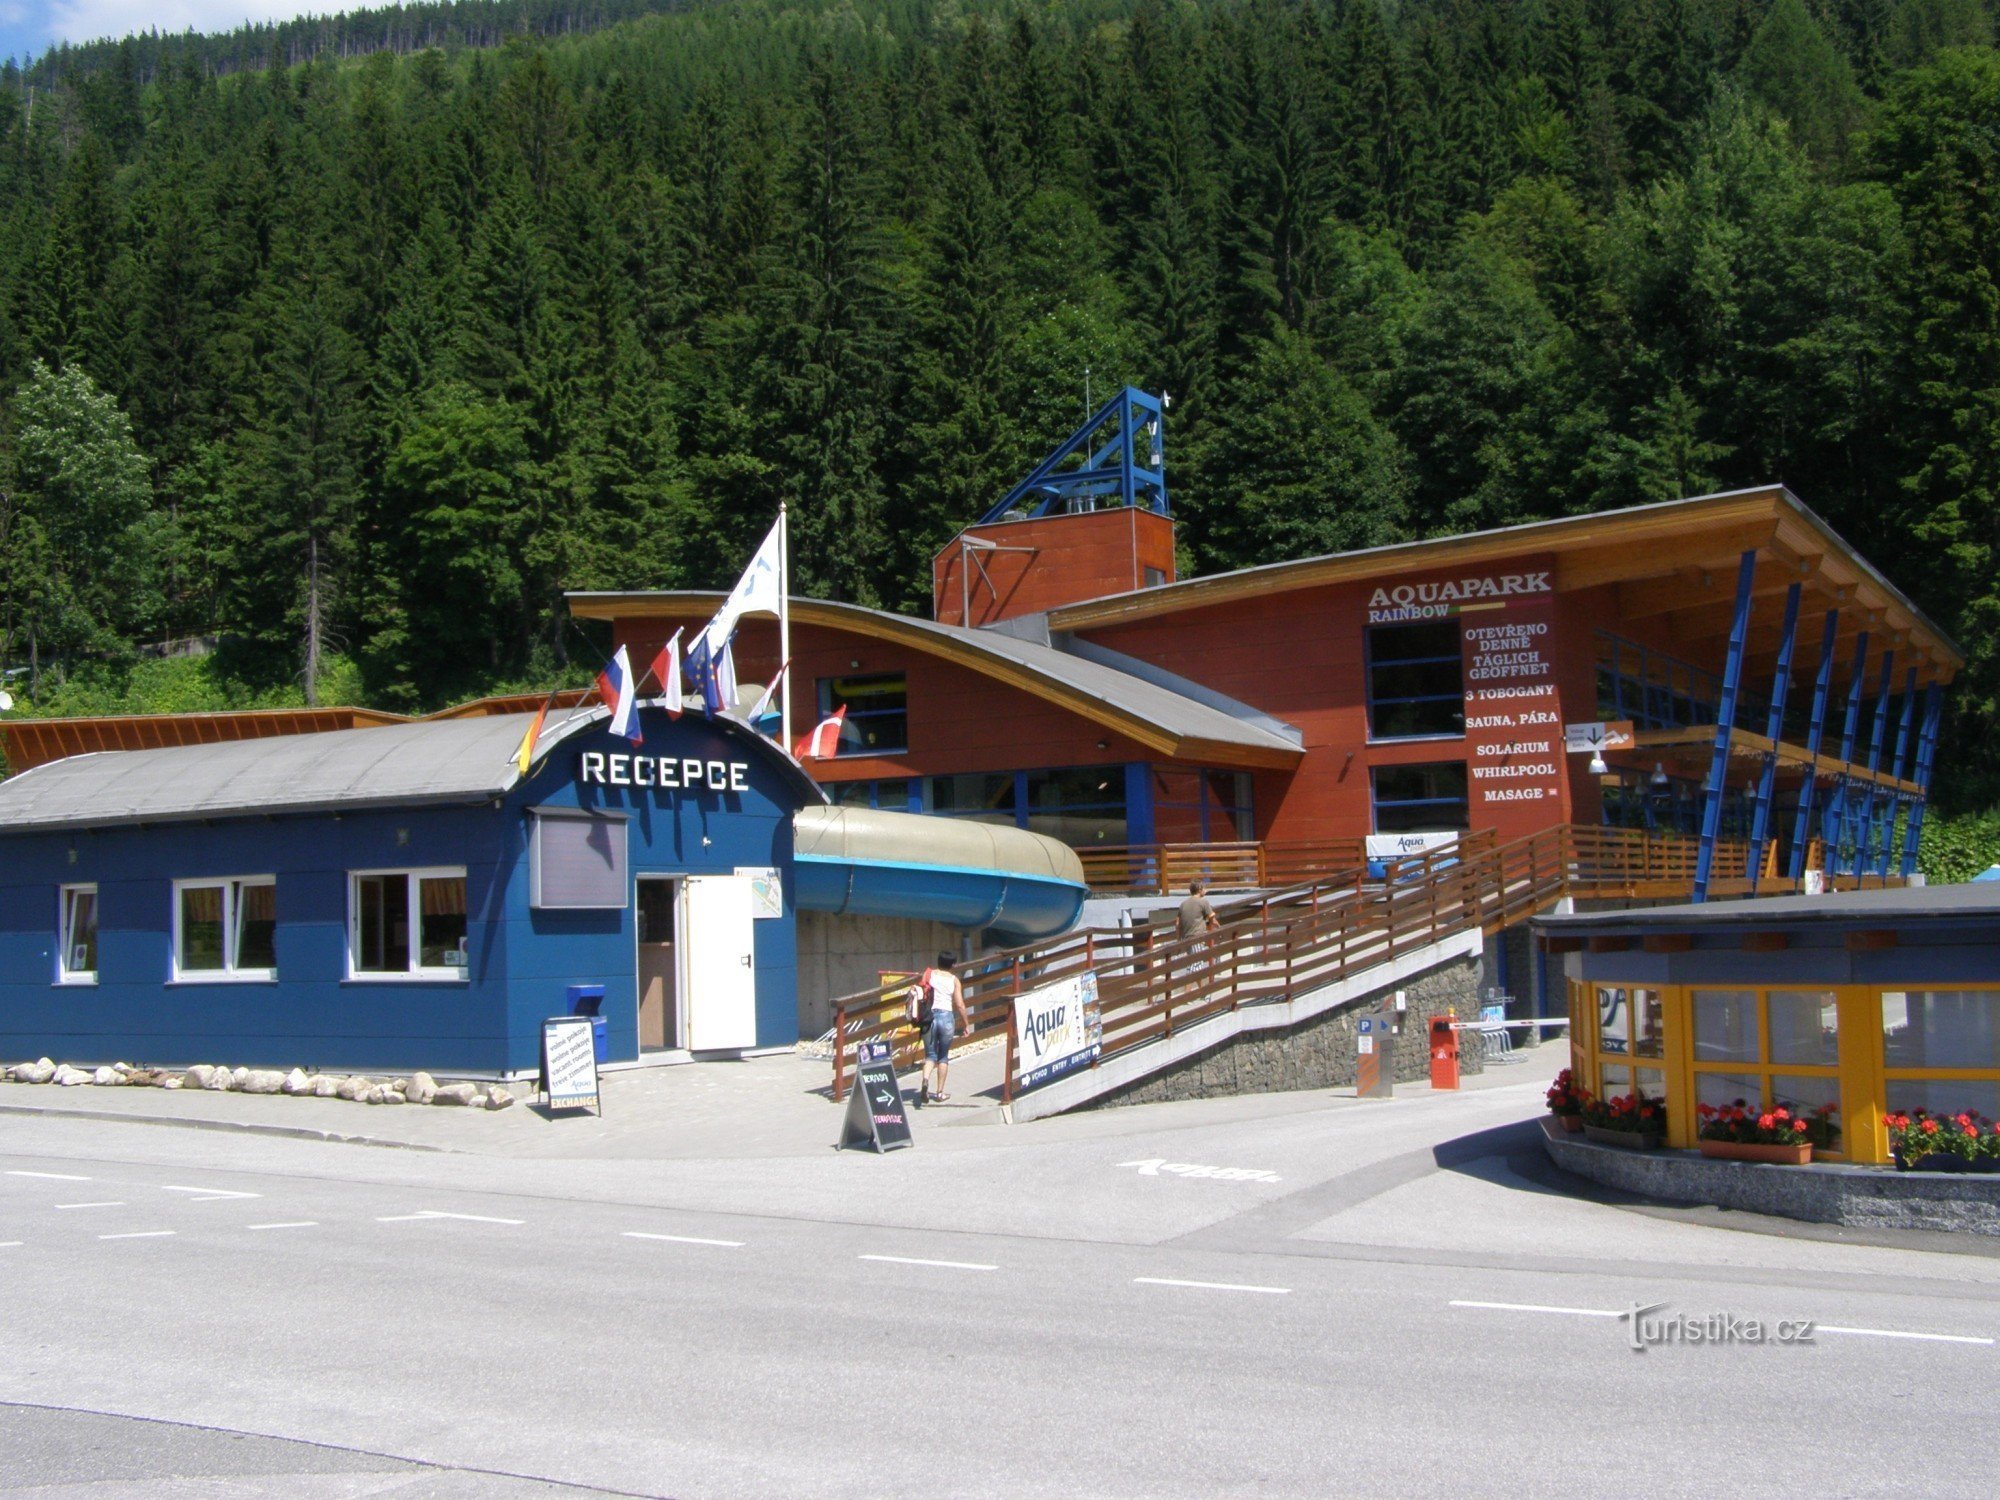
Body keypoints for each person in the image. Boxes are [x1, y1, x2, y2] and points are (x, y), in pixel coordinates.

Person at [918, 953, 969, 1104]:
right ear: (952, 965)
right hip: (946, 1017)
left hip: (930, 1017)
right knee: (943, 1057)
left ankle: (925, 1081)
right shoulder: (954, 980)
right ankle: (939, 1093)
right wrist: (966, 1023)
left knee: (930, 1056)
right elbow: (959, 1004)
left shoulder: (929, 974)